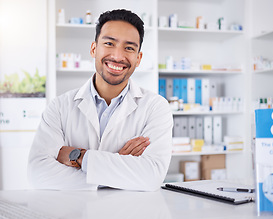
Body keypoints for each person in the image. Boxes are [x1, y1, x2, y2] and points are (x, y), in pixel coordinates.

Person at [28, 9, 173, 191]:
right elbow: (38, 174)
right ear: (94, 49)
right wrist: (117, 168)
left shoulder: (155, 107)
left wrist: (79, 157)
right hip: (73, 214)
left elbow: (151, 176)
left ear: (138, 58)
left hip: (129, 216)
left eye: (129, 48)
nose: (118, 56)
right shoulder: (59, 107)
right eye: (109, 43)